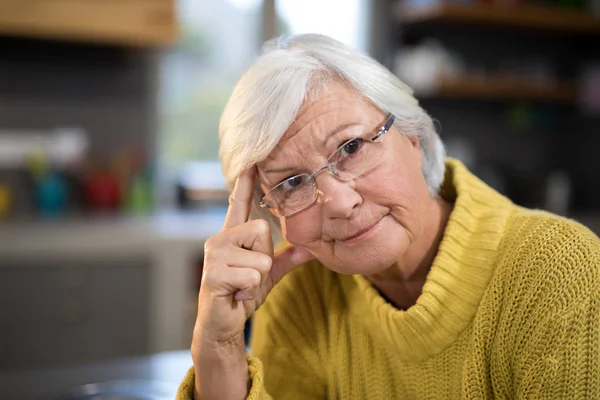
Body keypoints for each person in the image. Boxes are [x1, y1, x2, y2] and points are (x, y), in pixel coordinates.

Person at [177, 34, 600, 400]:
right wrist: (219, 350)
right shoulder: (300, 292)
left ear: (413, 136)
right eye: (291, 183)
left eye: (351, 148)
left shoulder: (557, 271)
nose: (339, 203)